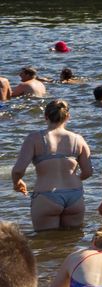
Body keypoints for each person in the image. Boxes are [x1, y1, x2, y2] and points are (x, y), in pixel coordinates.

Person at [13, 98, 92, 232]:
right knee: (72, 241)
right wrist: (75, 179)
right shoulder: (78, 139)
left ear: (46, 116)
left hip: (46, 195)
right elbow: (88, 171)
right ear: (68, 116)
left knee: (46, 243)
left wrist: (17, 182)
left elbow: (18, 170)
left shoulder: (34, 138)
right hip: (75, 195)